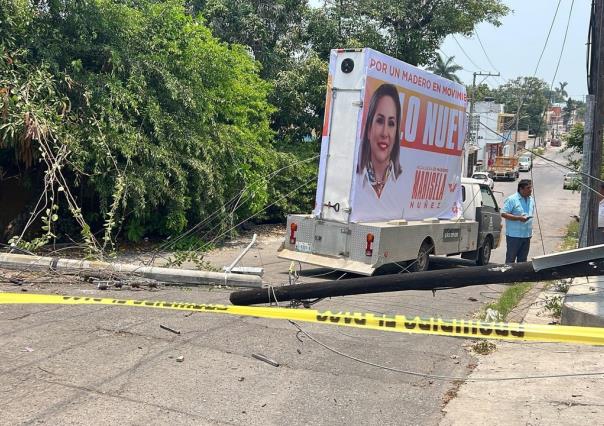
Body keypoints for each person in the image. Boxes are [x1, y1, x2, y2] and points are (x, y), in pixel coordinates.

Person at [352, 83, 404, 220]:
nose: (385, 133)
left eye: (391, 124)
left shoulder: (402, 180)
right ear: (369, 129)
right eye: (380, 121)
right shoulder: (356, 175)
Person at [501, 179, 535, 263]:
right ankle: (507, 276)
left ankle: (520, 276)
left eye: (531, 188)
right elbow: (503, 213)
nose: (531, 190)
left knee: (523, 261)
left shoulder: (531, 200)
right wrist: (518, 218)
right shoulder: (512, 199)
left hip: (526, 235)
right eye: (528, 188)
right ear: (521, 189)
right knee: (510, 259)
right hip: (514, 236)